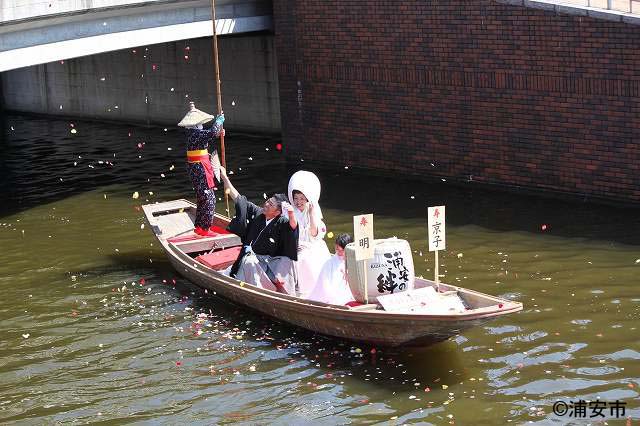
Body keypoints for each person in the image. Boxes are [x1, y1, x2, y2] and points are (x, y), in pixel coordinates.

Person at [219, 166, 299, 294]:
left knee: (288, 260)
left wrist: (290, 213)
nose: (266, 204)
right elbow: (238, 198)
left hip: (272, 263)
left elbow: (293, 228)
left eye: (271, 204)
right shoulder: (258, 213)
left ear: (278, 212)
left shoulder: (282, 222)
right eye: (268, 201)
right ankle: (259, 292)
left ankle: (284, 292)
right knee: (247, 261)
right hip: (253, 260)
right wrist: (224, 177)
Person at [178, 102, 225, 237]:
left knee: (203, 197)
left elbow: (209, 135)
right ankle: (204, 228)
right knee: (209, 198)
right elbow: (210, 133)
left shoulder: (193, 133)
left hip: (199, 167)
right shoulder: (195, 134)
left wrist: (218, 133)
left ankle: (200, 227)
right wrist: (219, 121)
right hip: (199, 169)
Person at [287, 170, 331, 298]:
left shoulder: (313, 211)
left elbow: (313, 233)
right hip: (294, 245)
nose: (298, 202)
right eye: (296, 198)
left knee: (307, 257)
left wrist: (311, 214)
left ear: (307, 199)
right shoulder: (289, 211)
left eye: (301, 198)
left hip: (312, 245)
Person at [308, 233, 356, 306]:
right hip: (332, 295)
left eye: (341, 250)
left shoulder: (353, 260)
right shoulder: (329, 263)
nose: (338, 252)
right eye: (337, 249)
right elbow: (325, 284)